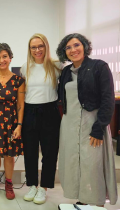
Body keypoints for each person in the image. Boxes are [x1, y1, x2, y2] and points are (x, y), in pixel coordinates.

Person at [56, 33, 117, 206]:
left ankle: (97, 201)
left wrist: (99, 128)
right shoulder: (66, 71)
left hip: (92, 125)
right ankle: (82, 199)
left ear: (84, 46)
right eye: (68, 47)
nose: (73, 50)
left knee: (92, 165)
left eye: (76, 45)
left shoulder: (99, 67)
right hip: (70, 125)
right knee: (74, 163)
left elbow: (108, 100)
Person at [20, 33, 62, 204]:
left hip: (50, 112)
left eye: (40, 46)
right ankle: (32, 185)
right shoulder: (25, 67)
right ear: (29, 49)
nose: (37, 50)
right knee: (30, 152)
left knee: (49, 153)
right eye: (33, 47)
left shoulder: (57, 66)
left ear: (46, 47)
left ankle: (44, 188)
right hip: (30, 112)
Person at [0, 43, 25, 200]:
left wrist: (19, 126)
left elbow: (20, 105)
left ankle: (8, 183)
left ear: (10, 58)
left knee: (9, 155)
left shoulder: (18, 80)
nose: (1, 60)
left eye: (4, 56)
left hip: (11, 121)